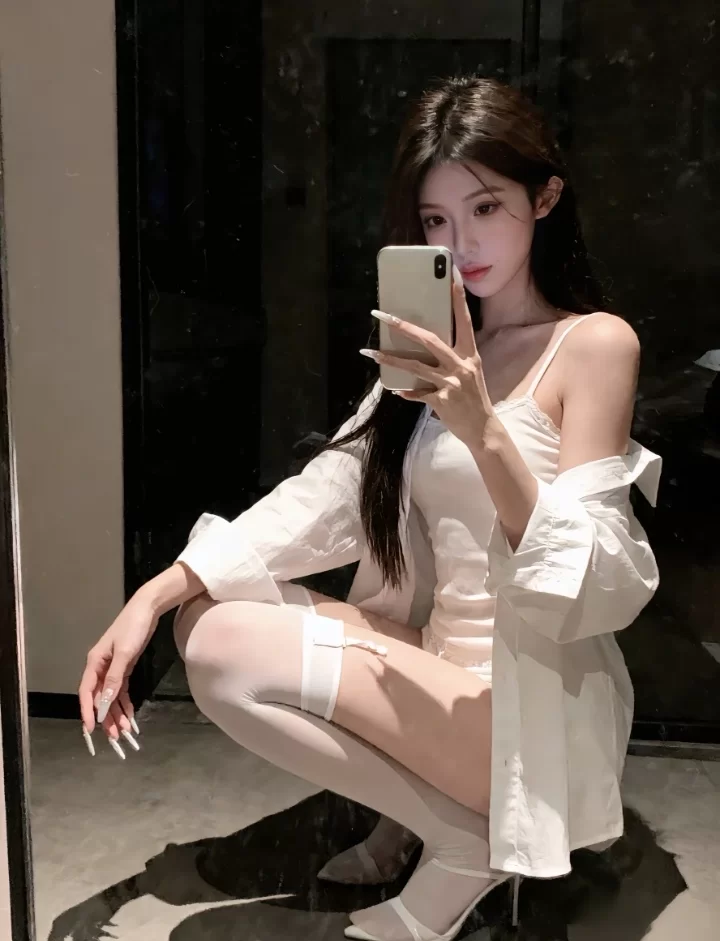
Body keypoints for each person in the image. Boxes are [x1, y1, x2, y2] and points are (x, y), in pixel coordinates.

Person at [78, 76, 661, 941]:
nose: (460, 243)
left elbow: (598, 580)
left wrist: (482, 428)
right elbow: (329, 493)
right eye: (435, 220)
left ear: (544, 199)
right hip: (435, 670)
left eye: (486, 208)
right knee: (207, 623)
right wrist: (154, 592)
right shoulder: (428, 352)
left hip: (525, 709)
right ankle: (450, 826)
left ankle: (464, 840)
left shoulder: (594, 344)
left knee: (225, 643)